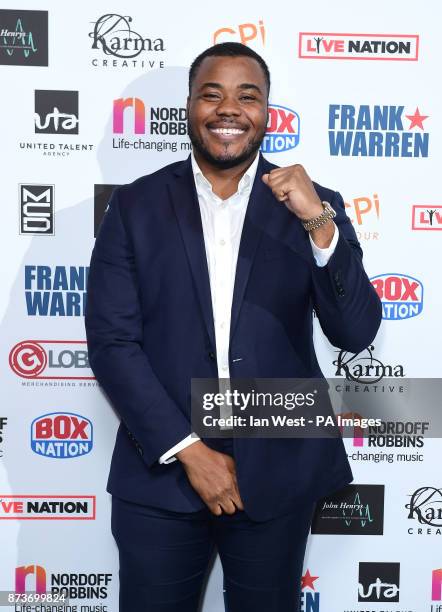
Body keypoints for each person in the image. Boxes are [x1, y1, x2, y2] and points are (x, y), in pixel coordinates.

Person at [85, 42, 382, 612]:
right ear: (190, 106)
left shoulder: (313, 205)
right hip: (163, 471)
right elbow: (113, 342)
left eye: (248, 96)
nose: (229, 109)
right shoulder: (135, 206)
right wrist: (189, 450)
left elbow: (355, 332)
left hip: (277, 463)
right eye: (212, 94)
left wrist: (318, 223)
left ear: (268, 110)